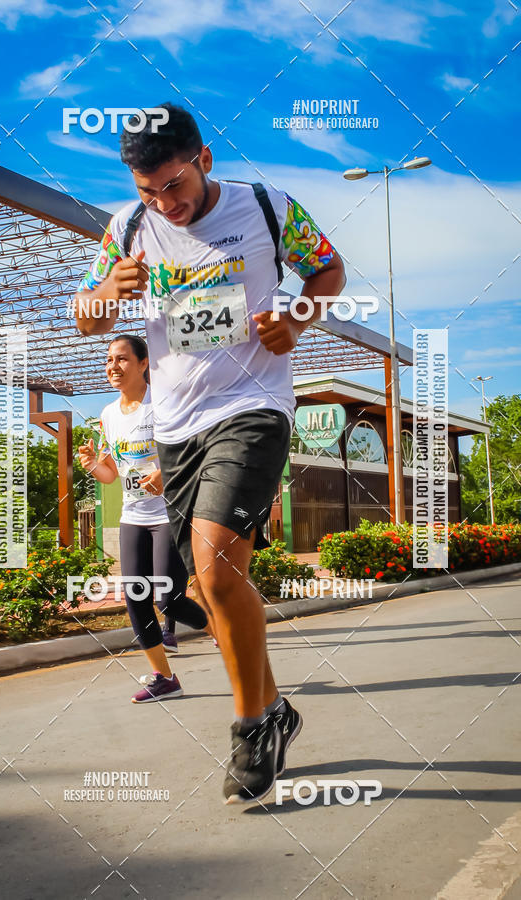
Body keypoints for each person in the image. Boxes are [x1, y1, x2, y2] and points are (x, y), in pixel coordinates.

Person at [75, 102, 346, 803]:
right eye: (149, 191)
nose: (166, 204)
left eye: (175, 184)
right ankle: (277, 710)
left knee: (218, 566)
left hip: (253, 406)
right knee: (210, 583)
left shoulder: (266, 207)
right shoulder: (127, 229)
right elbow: (85, 318)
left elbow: (328, 270)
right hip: (175, 428)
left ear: (204, 159)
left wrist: (297, 317)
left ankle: (251, 726)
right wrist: (106, 291)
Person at [77, 333, 209, 702]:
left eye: (121, 359)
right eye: (108, 360)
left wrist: (166, 475)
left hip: (170, 513)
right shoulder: (108, 415)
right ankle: (164, 678)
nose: (113, 367)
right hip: (132, 516)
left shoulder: (164, 404)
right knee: (136, 597)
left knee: (169, 600)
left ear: (143, 363)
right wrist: (92, 464)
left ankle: (220, 631)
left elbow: (195, 453)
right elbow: (110, 473)